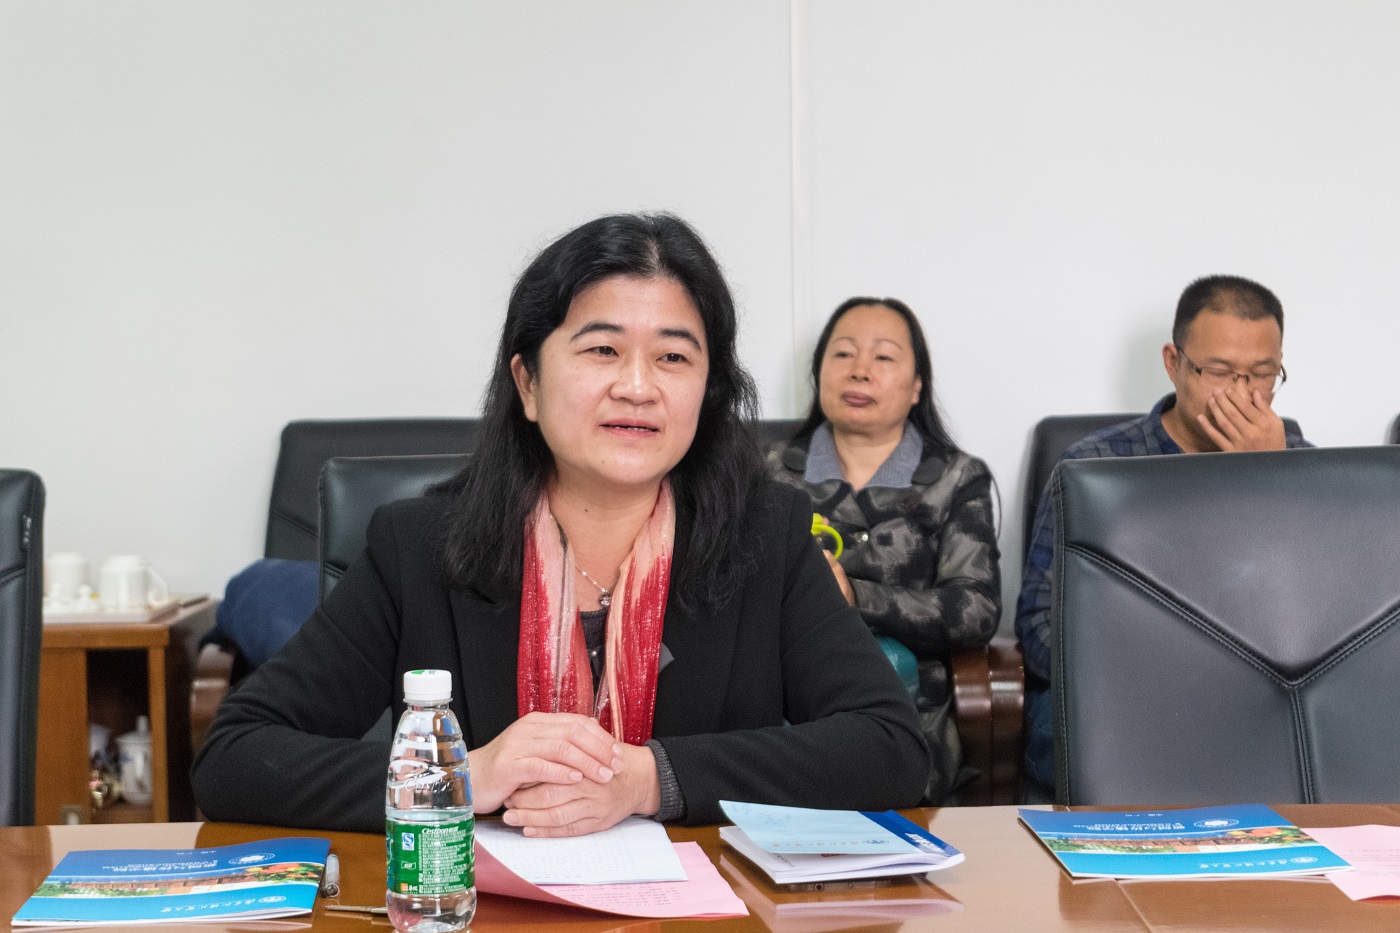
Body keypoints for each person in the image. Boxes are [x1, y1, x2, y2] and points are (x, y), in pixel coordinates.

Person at [192, 214, 930, 836]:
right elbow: (235, 758)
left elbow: (891, 747)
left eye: (673, 356)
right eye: (603, 349)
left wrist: (651, 778)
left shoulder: (766, 538)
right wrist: (459, 776)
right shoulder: (418, 547)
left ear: (707, 394)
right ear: (528, 383)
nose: (637, 386)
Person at [1016, 274, 1311, 798]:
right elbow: (1039, 625)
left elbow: (1323, 618)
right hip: (1121, 694)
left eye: (1263, 374)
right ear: (1174, 363)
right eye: (1218, 372)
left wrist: (1268, 476)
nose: (1242, 393)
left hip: (1252, 693)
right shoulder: (1094, 467)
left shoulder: (1307, 471)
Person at [766, 297, 1001, 804]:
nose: (860, 371)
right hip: (783, 708)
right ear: (819, 373)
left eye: (884, 357)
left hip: (909, 712)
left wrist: (857, 596)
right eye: (843, 354)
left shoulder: (956, 478)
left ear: (917, 386)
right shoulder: (766, 472)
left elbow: (975, 610)